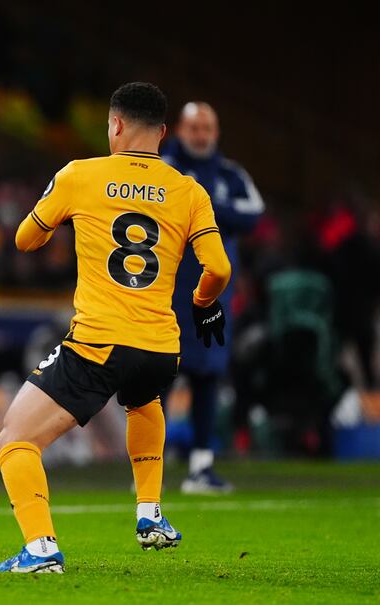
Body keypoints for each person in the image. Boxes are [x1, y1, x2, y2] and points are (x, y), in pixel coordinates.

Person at [0, 82, 231, 574]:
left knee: (13, 440)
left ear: (114, 124)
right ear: (162, 132)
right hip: (161, 346)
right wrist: (203, 301)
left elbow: (25, 239)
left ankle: (41, 548)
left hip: (99, 340)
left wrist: (62, 217)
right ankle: (150, 514)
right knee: (143, 401)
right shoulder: (189, 190)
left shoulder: (80, 174)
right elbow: (218, 268)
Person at [161, 102, 264, 493]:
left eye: (207, 128)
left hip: (213, 297)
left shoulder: (229, 174)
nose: (201, 135)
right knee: (159, 377)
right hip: (167, 293)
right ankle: (149, 469)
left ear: (216, 132)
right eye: (194, 128)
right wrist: (216, 212)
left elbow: (254, 214)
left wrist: (199, 204)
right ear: (178, 130)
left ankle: (201, 468)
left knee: (207, 377)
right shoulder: (163, 168)